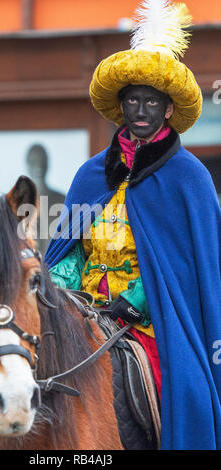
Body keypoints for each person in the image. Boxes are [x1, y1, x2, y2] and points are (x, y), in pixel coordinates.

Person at [44, 0, 221, 450]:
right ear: (121, 105)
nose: (140, 109)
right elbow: (70, 247)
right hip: (79, 311)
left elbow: (184, 270)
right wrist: (61, 290)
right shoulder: (89, 175)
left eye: (151, 101)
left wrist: (135, 301)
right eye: (132, 100)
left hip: (149, 319)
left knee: (185, 394)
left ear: (167, 109)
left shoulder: (190, 179)